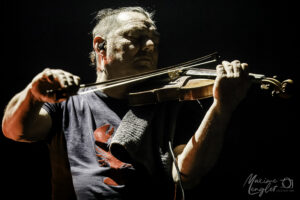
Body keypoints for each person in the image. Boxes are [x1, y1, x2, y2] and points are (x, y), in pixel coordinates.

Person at [2, 6, 251, 200]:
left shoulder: (169, 105)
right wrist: (33, 95)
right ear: (101, 46)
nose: (150, 46)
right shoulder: (68, 103)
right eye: (136, 37)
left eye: (154, 39)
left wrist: (221, 108)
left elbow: (185, 175)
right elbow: (15, 130)